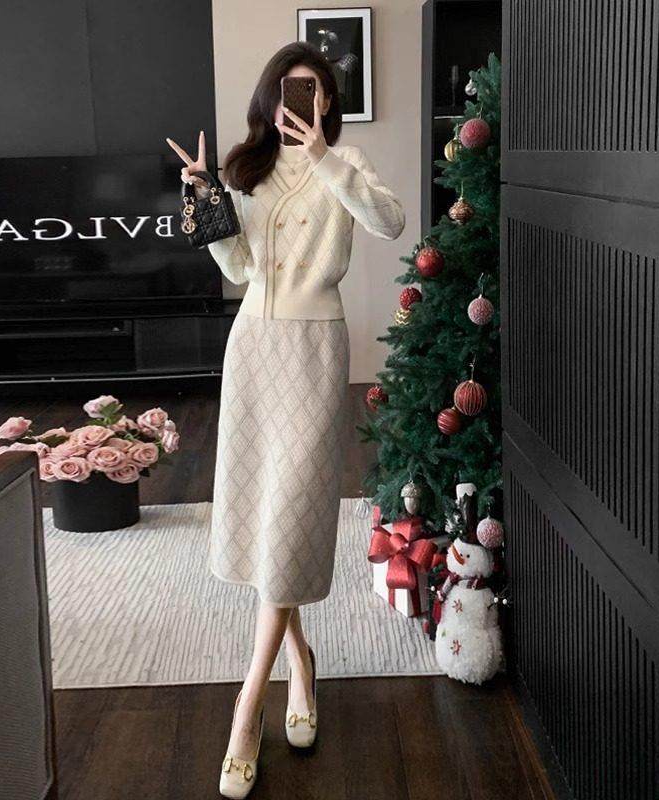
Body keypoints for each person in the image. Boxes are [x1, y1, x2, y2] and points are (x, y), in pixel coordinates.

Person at [166, 40, 404, 799]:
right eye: (286, 91)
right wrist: (207, 198)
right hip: (253, 348)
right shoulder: (249, 172)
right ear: (269, 100)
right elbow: (240, 268)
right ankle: (302, 664)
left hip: (314, 348)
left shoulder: (348, 162)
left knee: (295, 511)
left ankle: (248, 706)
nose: (296, 103)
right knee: (266, 514)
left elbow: (391, 223)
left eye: (312, 91)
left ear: (327, 102)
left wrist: (327, 158)